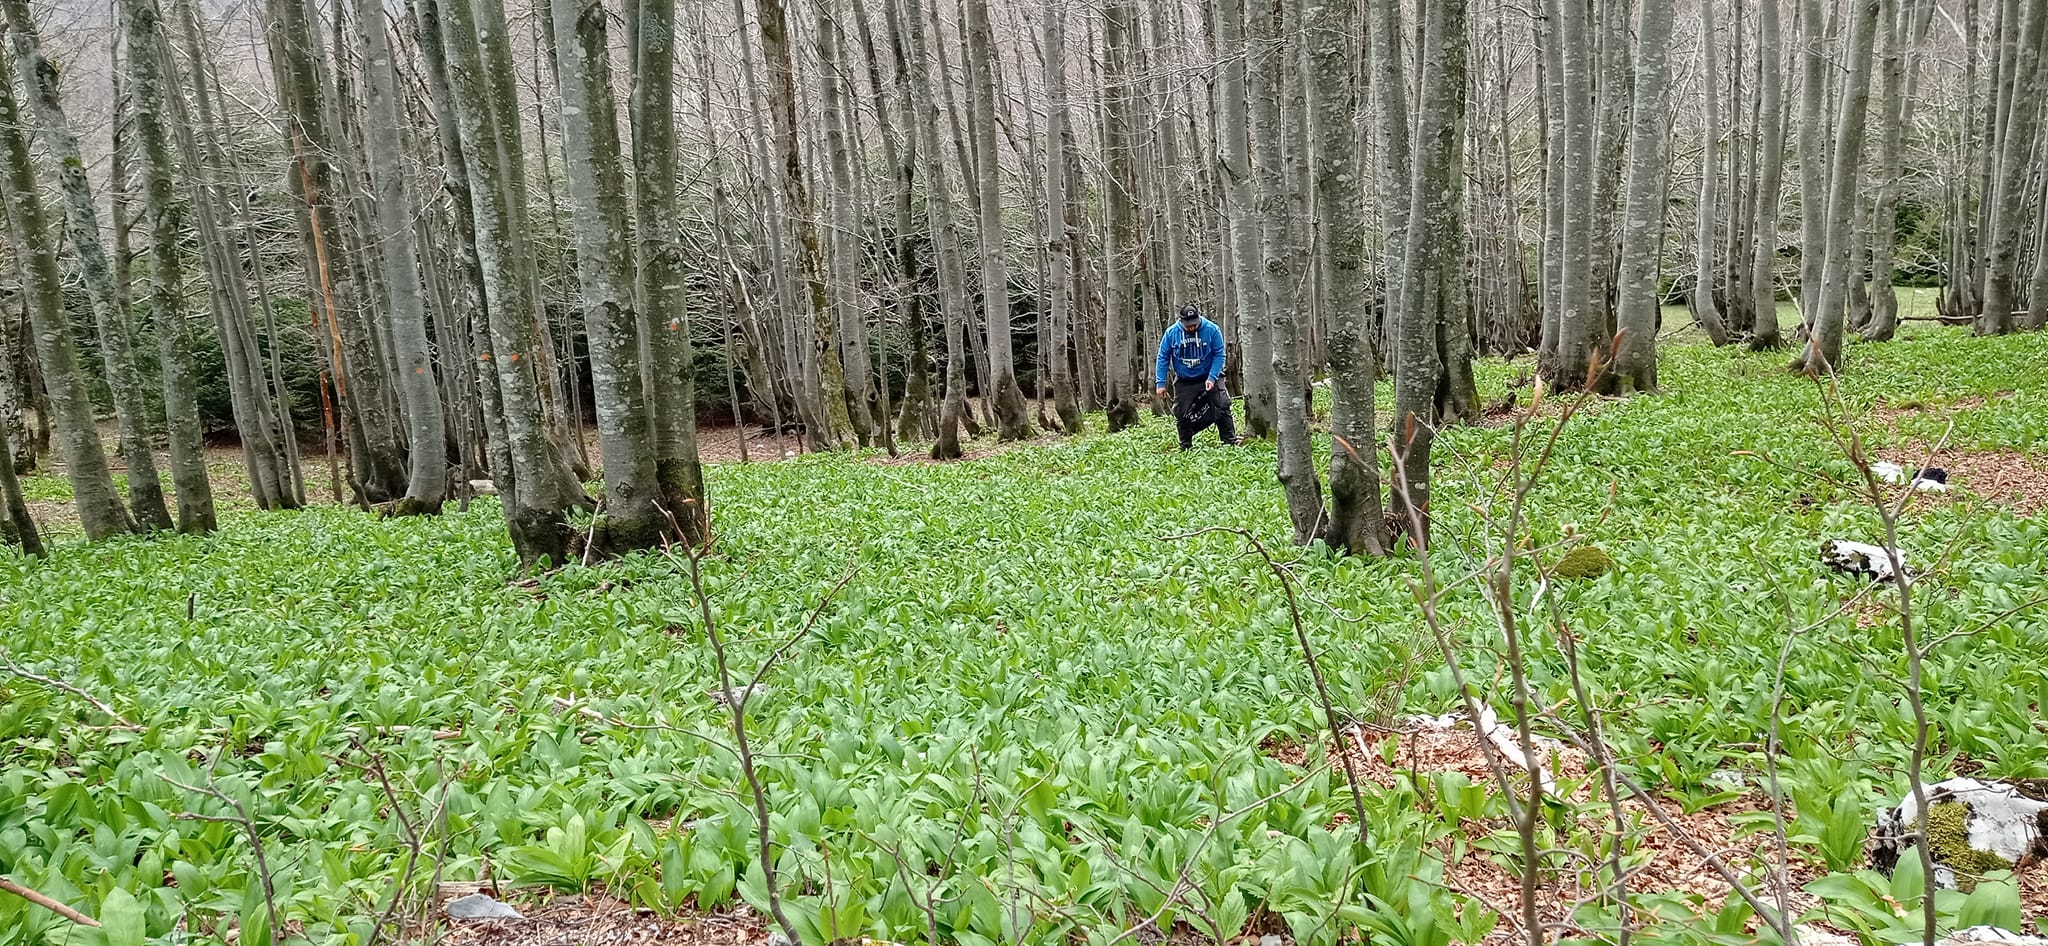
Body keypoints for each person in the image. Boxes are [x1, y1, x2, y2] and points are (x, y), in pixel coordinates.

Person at [1154, 304, 1240, 450]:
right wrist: (1160, 383)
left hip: (1209, 374)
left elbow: (1219, 354)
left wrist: (1212, 378)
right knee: (1181, 413)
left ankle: (1229, 442)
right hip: (1185, 378)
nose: (1191, 328)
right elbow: (1163, 357)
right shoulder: (1171, 333)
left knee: (1223, 404)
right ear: (1181, 321)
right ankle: (1185, 446)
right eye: (1188, 326)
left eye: (1194, 324)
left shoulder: (1212, 330)